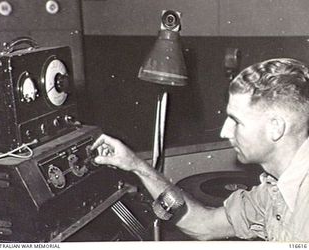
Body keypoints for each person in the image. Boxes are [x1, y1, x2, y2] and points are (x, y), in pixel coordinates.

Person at [91, 58, 309, 241]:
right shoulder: (272, 190)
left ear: (276, 128)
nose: (224, 132)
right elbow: (204, 225)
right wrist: (135, 165)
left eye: (236, 120)